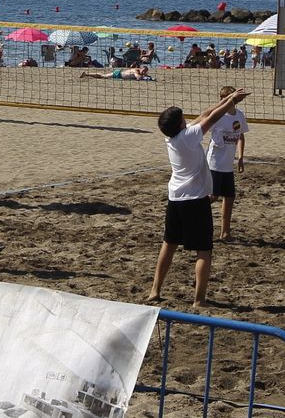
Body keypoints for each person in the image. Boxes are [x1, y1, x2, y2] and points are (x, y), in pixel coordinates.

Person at [148, 88, 250, 310]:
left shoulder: (174, 138)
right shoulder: (188, 136)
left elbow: (205, 115)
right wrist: (232, 100)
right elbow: (212, 118)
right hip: (195, 200)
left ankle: (155, 290)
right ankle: (199, 300)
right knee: (204, 251)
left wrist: (225, 100)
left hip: (175, 199)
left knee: (169, 244)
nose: (188, 119)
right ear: (181, 123)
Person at [208, 85, 249, 242]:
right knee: (212, 196)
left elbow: (240, 137)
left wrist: (240, 157)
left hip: (227, 164)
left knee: (229, 197)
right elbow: (202, 127)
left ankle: (225, 233)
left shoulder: (239, 115)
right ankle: (189, 213)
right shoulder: (217, 116)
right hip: (214, 162)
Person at [81, 64, 151, 80]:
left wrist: (146, 75)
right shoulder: (136, 71)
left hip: (120, 74)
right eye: (144, 71)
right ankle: (86, 74)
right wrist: (145, 77)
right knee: (103, 76)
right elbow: (138, 77)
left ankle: (86, 74)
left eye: (145, 71)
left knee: (102, 76)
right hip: (118, 74)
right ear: (141, 68)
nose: (144, 72)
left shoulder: (139, 71)